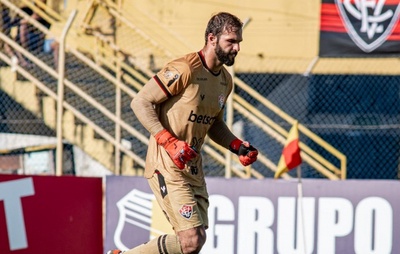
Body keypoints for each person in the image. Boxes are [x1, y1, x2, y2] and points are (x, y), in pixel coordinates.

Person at [108, 12, 258, 254]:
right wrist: (167, 141)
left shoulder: (225, 81)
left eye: (239, 41)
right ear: (212, 38)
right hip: (166, 165)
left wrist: (237, 145)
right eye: (231, 41)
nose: (237, 47)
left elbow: (214, 123)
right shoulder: (185, 68)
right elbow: (141, 102)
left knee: (193, 242)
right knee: (191, 240)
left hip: (192, 167)